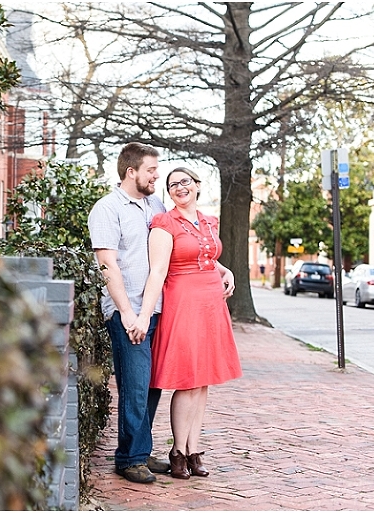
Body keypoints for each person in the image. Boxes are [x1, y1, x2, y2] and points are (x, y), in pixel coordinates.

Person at [132, 166, 242, 480]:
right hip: (183, 302)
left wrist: (225, 270)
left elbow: (205, 255)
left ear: (196, 185)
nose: (180, 188)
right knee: (187, 379)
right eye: (172, 185)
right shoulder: (164, 223)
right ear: (169, 193)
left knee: (203, 379)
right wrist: (143, 313)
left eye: (185, 182)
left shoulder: (208, 220)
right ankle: (178, 451)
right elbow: (158, 270)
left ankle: (195, 450)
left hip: (211, 303)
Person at [87, 142, 170, 484]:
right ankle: (129, 458)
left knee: (152, 386)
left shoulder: (155, 205)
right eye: (151, 169)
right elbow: (108, 265)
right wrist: (126, 312)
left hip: (158, 309)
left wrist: (221, 268)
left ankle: (141, 447)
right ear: (131, 171)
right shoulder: (107, 209)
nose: (157, 175)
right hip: (129, 313)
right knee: (134, 385)